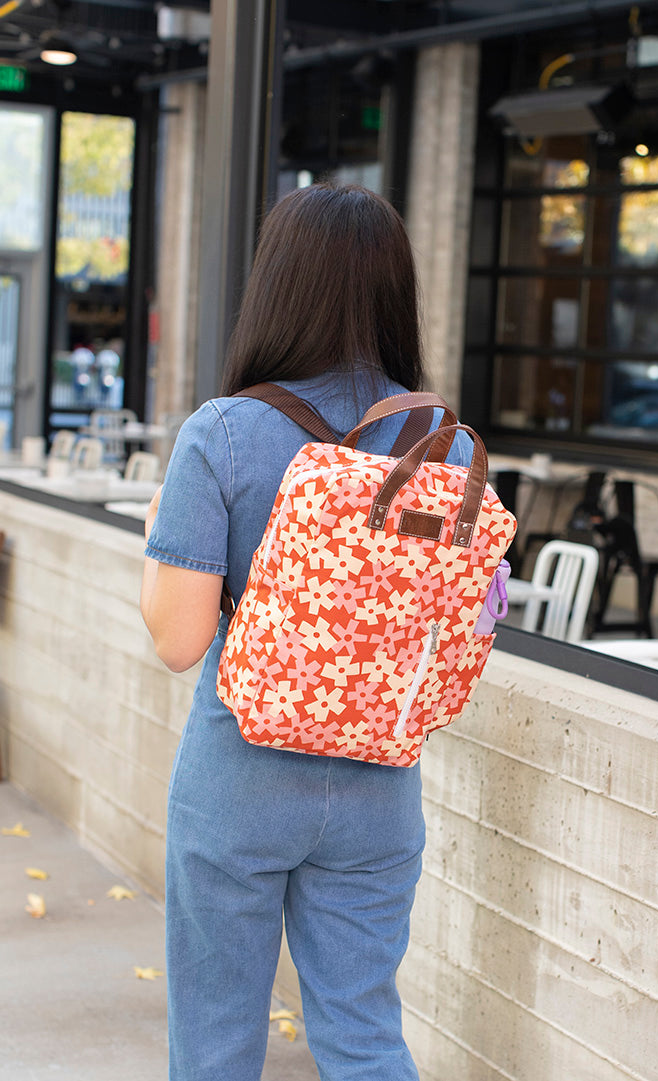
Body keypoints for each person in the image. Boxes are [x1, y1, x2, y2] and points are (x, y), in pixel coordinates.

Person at [141, 182, 472, 1081]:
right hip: (378, 783)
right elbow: (460, 618)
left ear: (274, 285)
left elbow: (176, 640)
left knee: (214, 1042)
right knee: (364, 1034)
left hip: (239, 773)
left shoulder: (224, 433)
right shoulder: (446, 445)